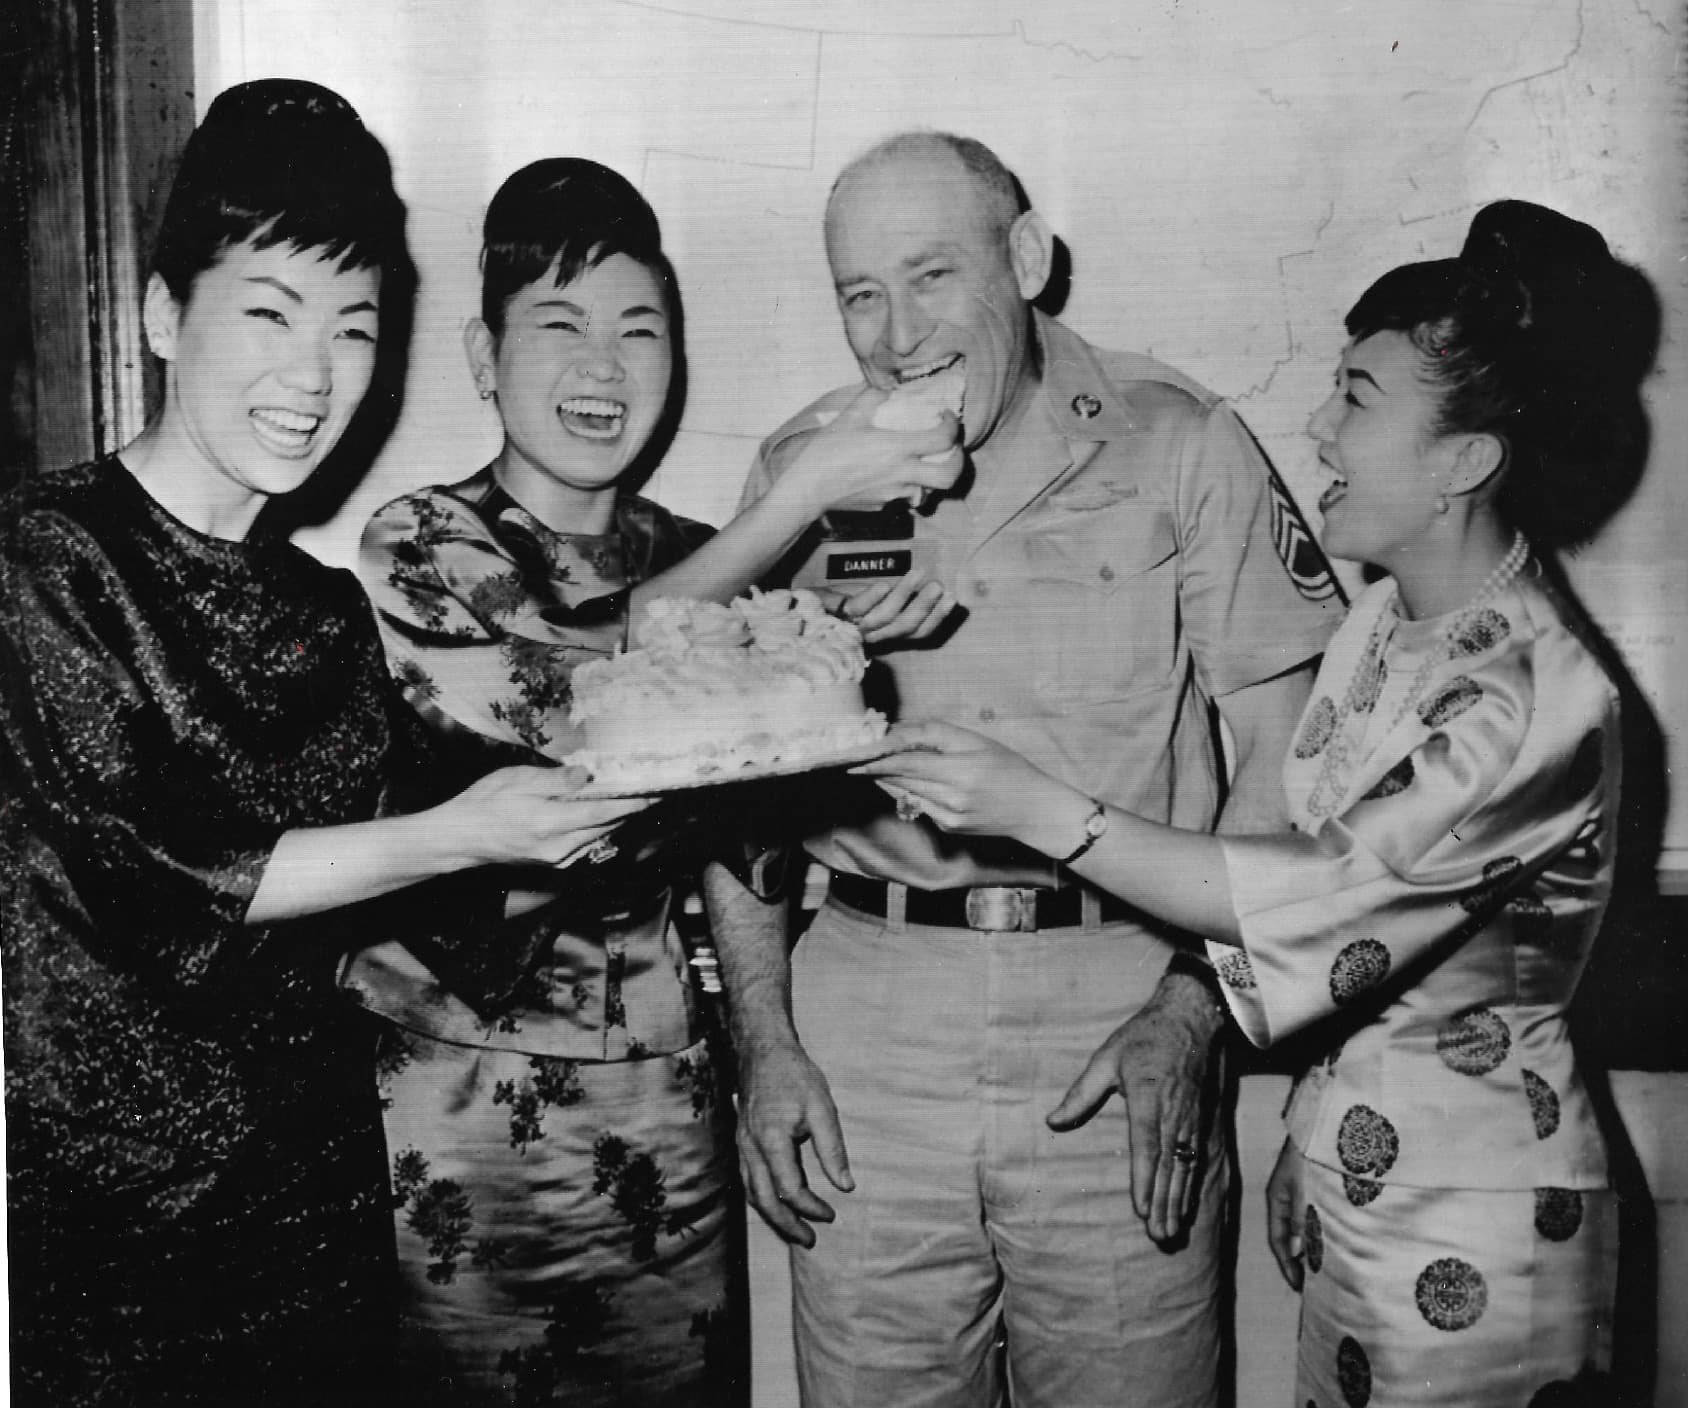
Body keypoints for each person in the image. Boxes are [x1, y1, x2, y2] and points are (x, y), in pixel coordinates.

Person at [860, 199, 1643, 1406]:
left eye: (1355, 398)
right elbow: (1339, 902)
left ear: (1463, 462)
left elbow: (1323, 894)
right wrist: (1312, 1136)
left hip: (1479, 1225)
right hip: (1360, 1194)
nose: (1317, 426)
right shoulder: (1385, 623)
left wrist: (1038, 807)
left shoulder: (1531, 692)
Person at [0, 82, 653, 1407]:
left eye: (353, 328)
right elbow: (166, 873)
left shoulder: (323, 611)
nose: (313, 375)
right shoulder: (48, 563)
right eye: (270, 313)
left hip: (316, 1218)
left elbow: (447, 888)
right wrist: (462, 830)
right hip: (113, 1245)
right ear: (162, 314)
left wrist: (651, 787)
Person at [724, 130, 1341, 1408]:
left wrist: (1193, 1006)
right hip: (866, 1029)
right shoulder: (799, 472)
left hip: (1118, 1006)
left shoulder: (1178, 439)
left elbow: (1286, 748)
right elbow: (730, 798)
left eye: (930, 276)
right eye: (858, 293)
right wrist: (764, 1041)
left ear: (1023, 258)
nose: (896, 335)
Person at [350, 156, 967, 1406]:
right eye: (559, 325)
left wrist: (768, 1046)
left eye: (638, 329)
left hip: (664, 1106)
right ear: (482, 357)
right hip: (454, 1111)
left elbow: (743, 831)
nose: (604, 365)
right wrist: (796, 499)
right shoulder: (418, 546)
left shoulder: (692, 551)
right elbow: (580, 694)